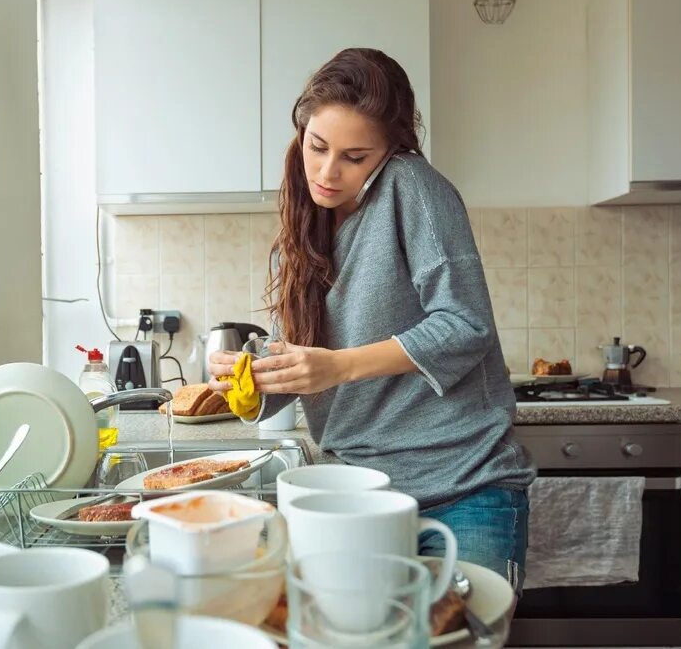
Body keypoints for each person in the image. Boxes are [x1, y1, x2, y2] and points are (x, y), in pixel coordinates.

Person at [208, 47, 535, 589]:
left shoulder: (413, 187)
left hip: (464, 490)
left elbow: (465, 324)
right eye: (317, 147)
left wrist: (338, 367)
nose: (327, 171)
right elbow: (312, 360)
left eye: (355, 157)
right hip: (355, 495)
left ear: (389, 152)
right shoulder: (299, 233)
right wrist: (254, 378)